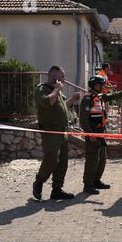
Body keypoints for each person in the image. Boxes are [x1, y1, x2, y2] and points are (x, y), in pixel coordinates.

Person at [33, 66, 80, 201]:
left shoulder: (57, 92)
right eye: (57, 78)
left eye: (62, 79)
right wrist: (57, 89)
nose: (60, 81)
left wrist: (72, 100)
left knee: (63, 162)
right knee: (51, 159)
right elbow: (48, 102)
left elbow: (62, 106)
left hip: (62, 130)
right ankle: (39, 182)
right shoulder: (42, 89)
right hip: (50, 130)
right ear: (50, 76)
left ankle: (57, 190)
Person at [80, 76, 122, 195]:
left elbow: (114, 96)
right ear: (94, 85)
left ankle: (96, 181)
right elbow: (83, 119)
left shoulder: (100, 97)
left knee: (102, 158)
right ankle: (87, 185)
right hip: (92, 133)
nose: (102, 86)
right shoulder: (87, 99)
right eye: (100, 84)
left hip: (100, 133)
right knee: (92, 160)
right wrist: (89, 133)